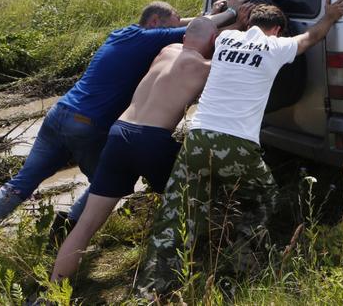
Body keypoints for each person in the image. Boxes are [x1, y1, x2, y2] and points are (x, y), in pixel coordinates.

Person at [0, 0, 240, 282]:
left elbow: (188, 24)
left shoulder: (123, 34)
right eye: (168, 26)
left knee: (19, 184)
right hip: (88, 125)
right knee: (102, 189)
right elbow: (191, 30)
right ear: (156, 22)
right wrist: (232, 12)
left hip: (60, 113)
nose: (172, 33)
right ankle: (63, 238)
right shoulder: (152, 40)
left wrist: (207, 12)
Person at [136, 0, 343, 297]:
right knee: (265, 198)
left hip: (198, 138)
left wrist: (234, 11)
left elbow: (227, 26)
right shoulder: (277, 47)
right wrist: (330, 16)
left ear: (249, 23)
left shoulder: (225, 38)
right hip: (236, 143)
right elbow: (312, 36)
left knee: (177, 211)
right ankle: (239, 263)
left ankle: (151, 289)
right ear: (277, 29)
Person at [49, 16, 226, 282]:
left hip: (119, 133)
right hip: (151, 140)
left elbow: (197, 33)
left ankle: (53, 292)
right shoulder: (205, 67)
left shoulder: (166, 51)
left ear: (184, 36)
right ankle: (192, 265)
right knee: (195, 195)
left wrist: (218, 16)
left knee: (86, 225)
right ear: (213, 41)